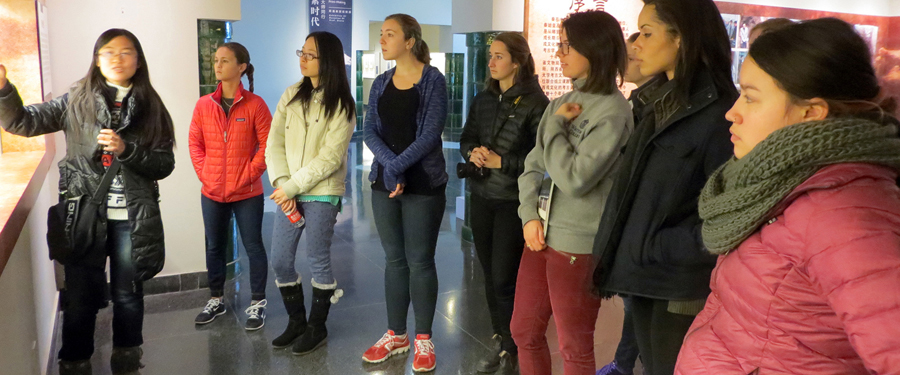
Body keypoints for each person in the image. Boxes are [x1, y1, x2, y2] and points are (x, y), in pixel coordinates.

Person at [676, 18, 900, 374]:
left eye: (750, 98)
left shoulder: (844, 214)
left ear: (810, 113)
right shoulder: (779, 185)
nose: (732, 113)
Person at [0, 29, 175, 375]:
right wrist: (4, 91)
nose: (118, 59)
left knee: (128, 295)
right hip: (83, 216)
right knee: (80, 299)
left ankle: (127, 358)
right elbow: (22, 121)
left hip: (132, 219)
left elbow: (164, 164)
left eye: (126, 53)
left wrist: (127, 150)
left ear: (138, 61)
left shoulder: (151, 106)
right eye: (109, 52)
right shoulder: (75, 100)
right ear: (96, 59)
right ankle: (75, 362)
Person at [590, 0, 738, 374]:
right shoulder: (657, 102)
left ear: (681, 39)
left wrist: (658, 245)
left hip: (678, 284)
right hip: (646, 274)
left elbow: (729, 214)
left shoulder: (720, 113)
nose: (635, 43)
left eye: (647, 33)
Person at [512, 11, 632, 375]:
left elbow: (575, 178)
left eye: (567, 45)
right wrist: (529, 214)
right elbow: (533, 165)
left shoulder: (614, 112)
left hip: (577, 244)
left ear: (594, 50)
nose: (559, 53)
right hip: (540, 235)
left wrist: (557, 127)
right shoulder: (560, 101)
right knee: (524, 331)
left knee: (574, 345)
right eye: (560, 44)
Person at [361, 13, 448, 373]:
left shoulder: (432, 80)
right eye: (381, 34)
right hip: (385, 184)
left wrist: (398, 167)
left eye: (390, 34)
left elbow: (430, 134)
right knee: (394, 260)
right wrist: (390, 166)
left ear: (410, 41)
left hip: (423, 184)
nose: (383, 39)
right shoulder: (380, 82)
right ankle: (396, 335)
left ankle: (424, 339)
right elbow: (369, 131)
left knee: (420, 261)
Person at [459, 32, 549, 375]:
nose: (492, 62)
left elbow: (540, 159)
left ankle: (514, 345)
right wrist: (473, 152)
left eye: (499, 56)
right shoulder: (483, 98)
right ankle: (502, 339)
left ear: (518, 61)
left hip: (513, 201)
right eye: (490, 55)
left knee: (503, 277)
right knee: (487, 273)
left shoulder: (537, 103)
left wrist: (502, 163)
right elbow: (468, 135)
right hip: (481, 197)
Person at [265, 31, 355, 355]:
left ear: (327, 59)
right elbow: (273, 143)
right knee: (279, 259)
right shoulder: (291, 94)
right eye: (301, 52)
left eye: (310, 54)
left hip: (321, 192)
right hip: (288, 191)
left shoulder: (342, 105)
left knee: (317, 258)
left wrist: (292, 186)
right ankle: (297, 321)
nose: (302, 58)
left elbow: (331, 157)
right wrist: (281, 182)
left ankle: (317, 327)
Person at [189, 42, 272, 330]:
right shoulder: (203, 104)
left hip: (247, 191)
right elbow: (195, 144)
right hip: (212, 191)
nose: (218, 65)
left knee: (253, 245)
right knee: (214, 247)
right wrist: (206, 174)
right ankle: (215, 299)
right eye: (216, 60)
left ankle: (258, 303)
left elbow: (267, 145)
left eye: (225, 60)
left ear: (241, 67)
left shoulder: (255, 104)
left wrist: (249, 174)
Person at [595, 31, 653, 375]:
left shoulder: (633, 109)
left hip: (644, 229)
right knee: (634, 304)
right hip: (630, 223)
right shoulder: (636, 103)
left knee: (638, 306)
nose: (628, 61)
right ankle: (627, 361)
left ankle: (626, 362)